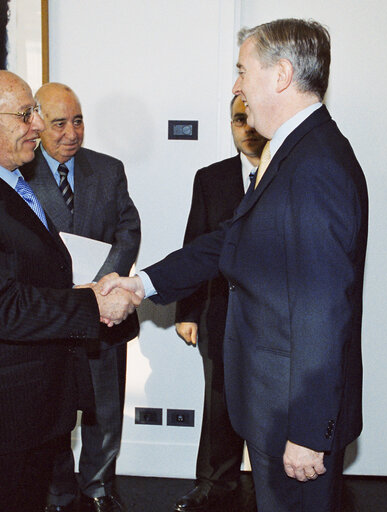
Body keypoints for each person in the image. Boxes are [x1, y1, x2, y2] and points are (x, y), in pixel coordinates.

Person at [100, 18, 368, 512]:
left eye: (244, 70)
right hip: (273, 403)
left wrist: (311, 432)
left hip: (294, 415)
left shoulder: (317, 167)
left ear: (282, 74)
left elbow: (323, 310)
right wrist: (142, 283)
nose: (236, 84)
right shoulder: (290, 151)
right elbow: (228, 240)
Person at [0, 69, 139, 512]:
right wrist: (92, 303)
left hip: (26, 412)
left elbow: (31, 276)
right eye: (25, 114)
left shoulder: (4, 183)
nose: (38, 125)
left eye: (35, 112)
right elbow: (3, 308)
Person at [20, 82, 140, 512]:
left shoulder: (109, 170)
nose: (72, 132)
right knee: (53, 414)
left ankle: (99, 488)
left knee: (105, 411)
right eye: (58, 123)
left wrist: (103, 283)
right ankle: (57, 493)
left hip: (104, 311)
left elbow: (129, 229)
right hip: (52, 316)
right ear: (35, 122)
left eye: (78, 120)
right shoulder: (20, 175)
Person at [172, 95, 266, 512]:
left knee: (270, 406)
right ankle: (215, 484)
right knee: (220, 404)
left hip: (273, 319)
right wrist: (187, 312)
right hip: (219, 314)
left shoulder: (289, 175)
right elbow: (196, 246)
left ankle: (273, 489)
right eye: (237, 119)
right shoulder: (210, 179)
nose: (245, 128)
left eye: (251, 118)